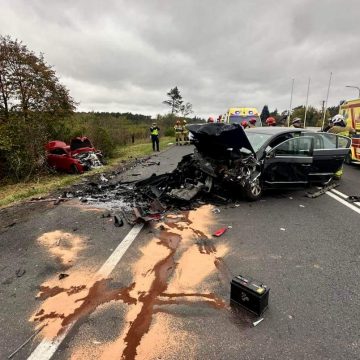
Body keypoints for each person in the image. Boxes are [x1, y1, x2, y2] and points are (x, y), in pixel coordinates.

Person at [326, 114, 355, 179]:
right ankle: (338, 174)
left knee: (333, 161)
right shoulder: (348, 128)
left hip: (335, 147)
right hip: (345, 148)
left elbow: (326, 134)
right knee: (341, 161)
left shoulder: (334, 128)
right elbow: (354, 132)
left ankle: (332, 173)